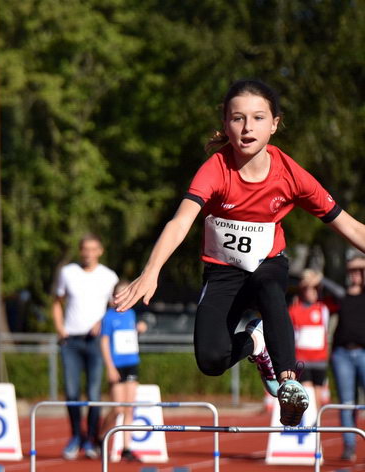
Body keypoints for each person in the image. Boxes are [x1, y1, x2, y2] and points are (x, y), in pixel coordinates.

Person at [116, 79, 365, 427]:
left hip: (267, 264)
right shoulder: (216, 169)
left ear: (275, 124)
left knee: (269, 287)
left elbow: (352, 228)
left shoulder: (291, 175)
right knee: (211, 360)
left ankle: (288, 384)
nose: (248, 128)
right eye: (238, 118)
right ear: (225, 123)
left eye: (258, 118)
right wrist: (150, 271)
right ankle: (254, 342)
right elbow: (181, 220)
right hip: (222, 272)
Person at [52, 234, 119, 460]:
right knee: (72, 393)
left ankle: (91, 439)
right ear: (80, 251)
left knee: (93, 393)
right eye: (85, 249)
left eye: (93, 249)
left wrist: (102, 323)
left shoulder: (109, 276)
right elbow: (56, 302)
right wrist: (60, 328)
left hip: (96, 342)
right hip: (71, 340)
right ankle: (75, 437)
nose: (89, 253)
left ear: (100, 251)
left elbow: (115, 307)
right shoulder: (68, 273)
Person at [99, 280, 148, 462]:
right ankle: (101, 435)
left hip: (131, 362)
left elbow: (129, 336)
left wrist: (139, 330)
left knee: (129, 407)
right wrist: (109, 367)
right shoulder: (109, 317)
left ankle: (126, 447)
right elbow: (104, 342)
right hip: (116, 364)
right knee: (118, 407)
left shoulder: (132, 314)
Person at [330, 255, 365, 461]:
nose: (355, 274)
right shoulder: (340, 296)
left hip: (363, 353)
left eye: (359, 271)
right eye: (351, 271)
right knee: (346, 403)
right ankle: (349, 446)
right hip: (342, 354)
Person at [289, 268, 333, 413]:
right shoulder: (294, 310)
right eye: (308, 289)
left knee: (318, 395)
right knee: (306, 394)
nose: (311, 292)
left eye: (315, 289)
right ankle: (307, 424)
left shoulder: (323, 309)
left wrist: (320, 279)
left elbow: (339, 294)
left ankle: (316, 425)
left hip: (319, 360)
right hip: (302, 359)